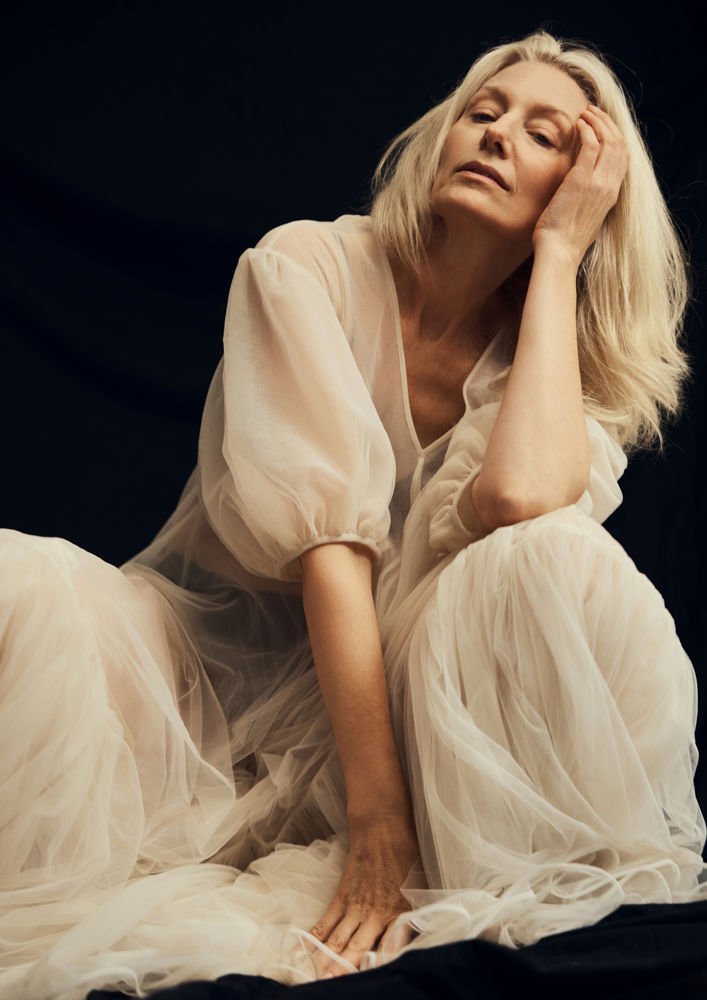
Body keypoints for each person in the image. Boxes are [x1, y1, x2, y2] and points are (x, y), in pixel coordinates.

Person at [1, 28, 705, 997]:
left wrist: (555, 258)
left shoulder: (554, 357)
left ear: (581, 192)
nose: (495, 135)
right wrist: (377, 829)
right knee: (19, 578)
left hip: (417, 721)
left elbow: (516, 499)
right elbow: (329, 545)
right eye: (481, 112)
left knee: (550, 549)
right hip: (210, 695)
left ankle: (488, 870)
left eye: (542, 135)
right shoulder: (306, 265)